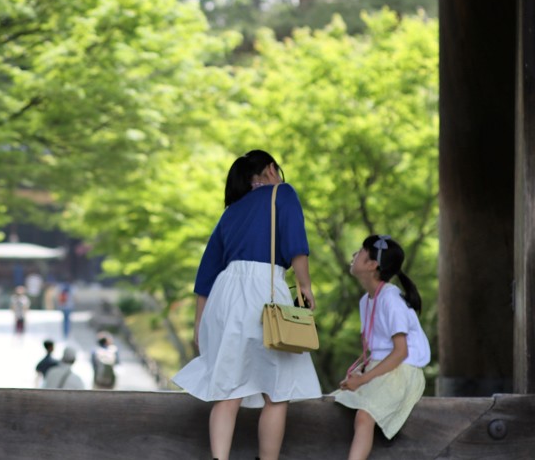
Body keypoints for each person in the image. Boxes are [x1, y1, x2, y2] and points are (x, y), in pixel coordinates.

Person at [172, 150, 321, 460]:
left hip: (224, 295)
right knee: (277, 392)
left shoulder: (230, 212)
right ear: (269, 170)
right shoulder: (283, 193)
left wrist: (200, 325)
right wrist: (304, 285)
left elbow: (206, 273)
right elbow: (296, 245)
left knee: (227, 390)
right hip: (264, 291)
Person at [332, 235, 431, 460]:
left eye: (359, 251)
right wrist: (359, 373)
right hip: (382, 368)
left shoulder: (391, 299)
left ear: (372, 265)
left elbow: (400, 352)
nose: (353, 255)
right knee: (338, 402)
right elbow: (371, 350)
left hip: (403, 370)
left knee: (364, 416)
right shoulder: (365, 300)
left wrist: (364, 380)